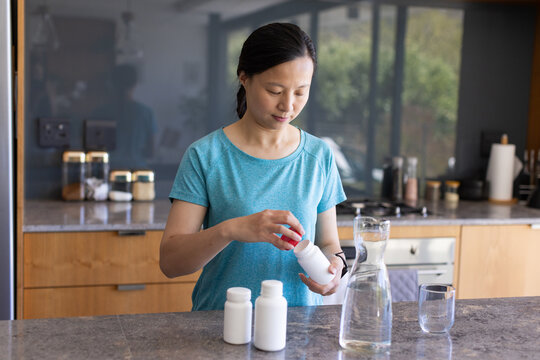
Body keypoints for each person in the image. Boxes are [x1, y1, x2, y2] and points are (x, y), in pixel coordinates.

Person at [160, 23, 347, 311]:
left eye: (300, 92)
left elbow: (328, 241)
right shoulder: (205, 156)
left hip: (301, 331)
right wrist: (231, 229)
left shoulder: (319, 156)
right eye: (275, 90)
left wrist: (336, 265)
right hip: (219, 327)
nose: (288, 105)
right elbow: (171, 262)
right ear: (244, 78)